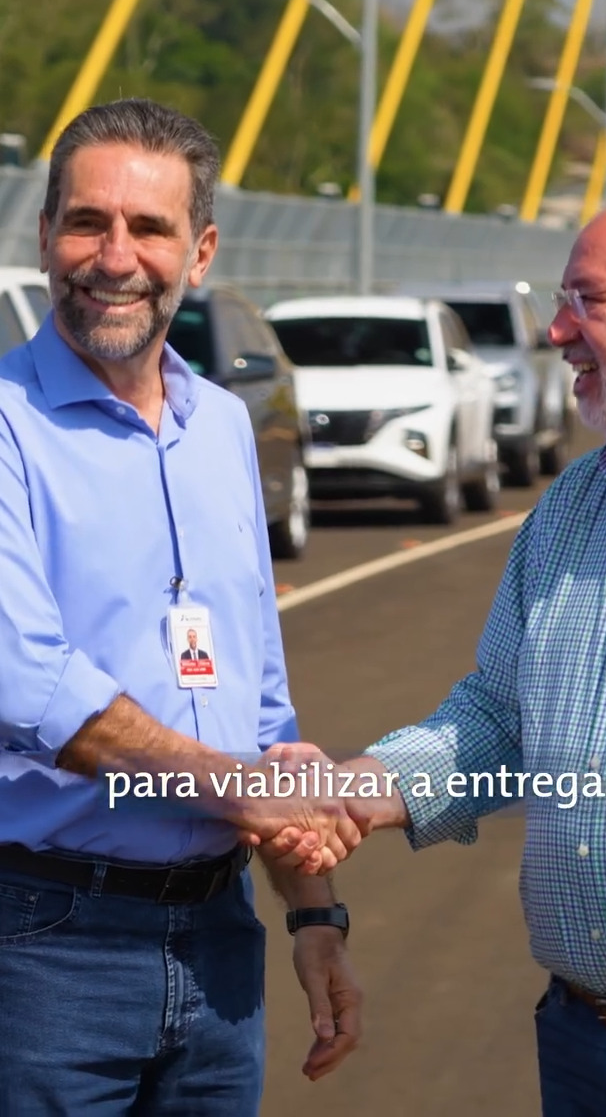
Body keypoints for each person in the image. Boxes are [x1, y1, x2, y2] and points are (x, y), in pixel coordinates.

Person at [268, 189, 606, 1115]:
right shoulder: (564, 515)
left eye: (587, 300)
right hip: (581, 1044)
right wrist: (353, 790)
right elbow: (493, 726)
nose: (555, 331)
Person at [0, 97, 360, 1114]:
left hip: (220, 946)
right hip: (46, 945)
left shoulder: (221, 433)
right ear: (44, 236)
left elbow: (261, 713)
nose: (114, 256)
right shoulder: (7, 428)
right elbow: (28, 682)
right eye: (87, 222)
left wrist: (314, 915)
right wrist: (241, 789)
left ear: (198, 253)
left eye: (149, 228)